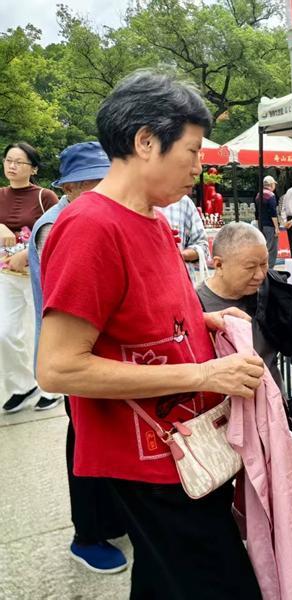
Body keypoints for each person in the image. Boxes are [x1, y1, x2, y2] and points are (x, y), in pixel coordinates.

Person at [36, 70, 266, 598]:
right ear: (145, 142)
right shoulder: (90, 226)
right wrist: (204, 373)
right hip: (151, 458)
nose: (198, 166)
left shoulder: (156, 221)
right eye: (192, 150)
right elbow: (59, 367)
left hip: (189, 445)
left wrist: (204, 321)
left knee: (166, 578)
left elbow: (146, 315)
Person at [28, 141, 129, 572]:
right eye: (93, 181)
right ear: (70, 187)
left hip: (99, 356)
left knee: (105, 440)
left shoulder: (86, 214)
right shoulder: (60, 225)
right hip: (77, 360)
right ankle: (86, 535)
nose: (104, 187)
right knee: (86, 444)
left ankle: (109, 520)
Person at [196, 222, 292, 475]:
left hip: (278, 413)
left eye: (264, 264)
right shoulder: (195, 306)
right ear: (218, 264)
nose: (260, 275)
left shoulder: (268, 292)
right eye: (250, 267)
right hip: (226, 426)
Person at [0, 142, 59, 412]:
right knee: (4, 332)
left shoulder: (45, 196)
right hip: (6, 275)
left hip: (38, 274)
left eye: (19, 162)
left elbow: (59, 229)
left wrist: (27, 252)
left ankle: (51, 387)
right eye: (8, 160)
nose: (12, 166)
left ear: (33, 169)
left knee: (45, 330)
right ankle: (22, 385)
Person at [157, 195, 209, 277]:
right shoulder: (134, 204)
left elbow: (203, 246)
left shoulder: (183, 202)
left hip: (179, 278)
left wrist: (179, 255)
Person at [255, 174, 279, 267]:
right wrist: (276, 227)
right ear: (271, 184)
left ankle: (262, 266)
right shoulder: (271, 195)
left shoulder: (258, 195)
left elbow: (256, 212)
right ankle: (269, 268)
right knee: (272, 248)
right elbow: (273, 213)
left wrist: (258, 225)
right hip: (270, 225)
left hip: (261, 225)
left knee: (264, 247)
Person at [281, 183, 292, 251]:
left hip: (289, 218)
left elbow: (283, 207)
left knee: (291, 243)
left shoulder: (289, 191)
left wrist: (285, 221)